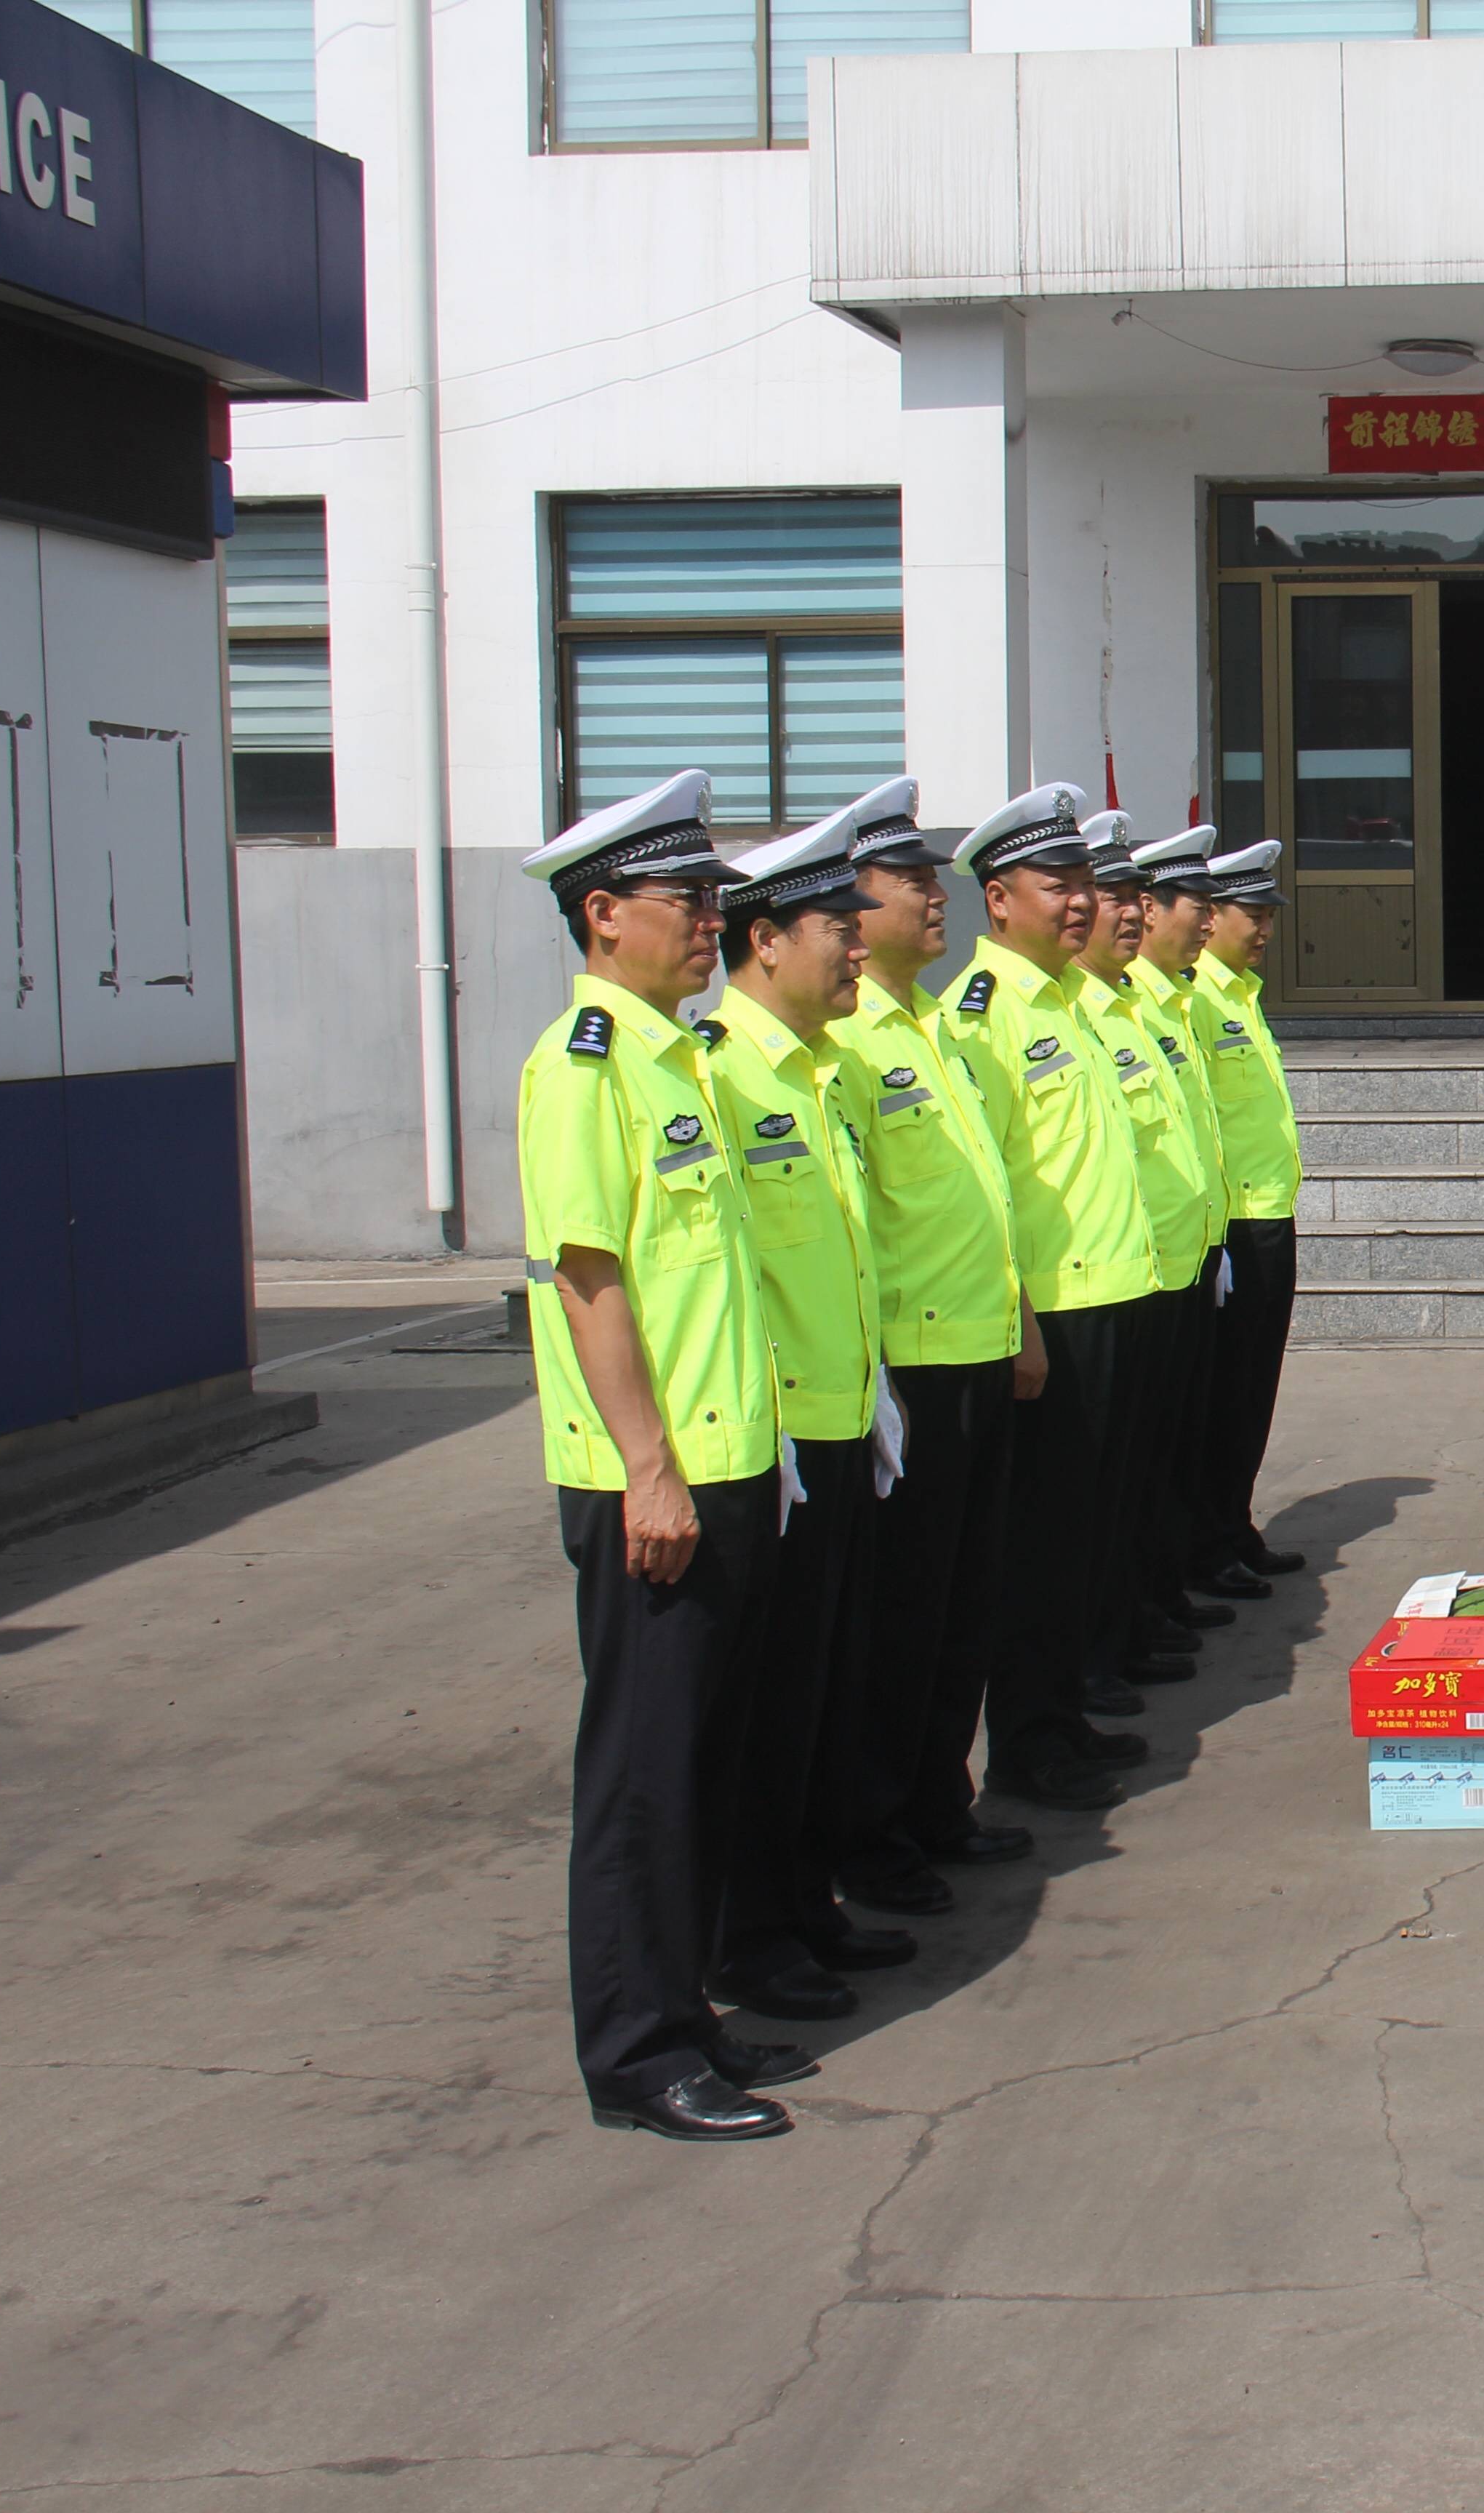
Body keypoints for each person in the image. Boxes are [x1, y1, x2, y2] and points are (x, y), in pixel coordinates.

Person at [514, 769, 801, 2141]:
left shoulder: (675, 1053)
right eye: (688, 899)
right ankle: (637, 2055)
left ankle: (689, 2015)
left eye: (713, 898)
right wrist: (646, 1467)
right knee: (643, 1771)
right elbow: (589, 1279)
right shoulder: (580, 1063)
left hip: (731, 1460)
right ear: (605, 911)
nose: (711, 921)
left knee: (708, 1757)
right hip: (655, 1482)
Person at [691, 814, 910, 2024]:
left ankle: (806, 1902)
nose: (857, 953)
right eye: (839, 930)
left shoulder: (816, 1073)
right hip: (768, 1447)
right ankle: (748, 1936)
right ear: (766, 940)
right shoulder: (721, 1073)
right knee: (765, 1708)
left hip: (839, 1421)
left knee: (824, 1689)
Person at [819, 778, 1041, 1912]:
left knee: (960, 1604)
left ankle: (938, 1806)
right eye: (913, 880)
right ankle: (877, 1838)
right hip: (908, 1363)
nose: (935, 895)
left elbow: (984, 1198)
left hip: (976, 1347)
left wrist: (1017, 1323)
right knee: (900, 1621)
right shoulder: (847, 1046)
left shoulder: (932, 1027)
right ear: (853, 901)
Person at [943, 783, 1164, 1813]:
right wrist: (1022, 1321)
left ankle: (1065, 1710)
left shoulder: (1074, 1003)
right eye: (1057, 883)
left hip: (1117, 1297)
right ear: (998, 898)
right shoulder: (981, 1021)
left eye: (1085, 882)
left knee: (1081, 1533)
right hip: (1054, 1317)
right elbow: (985, 1191)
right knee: (1035, 1546)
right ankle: (1028, 1742)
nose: (1079, 902)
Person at [1072, 811, 1224, 1694]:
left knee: (1143, 1474)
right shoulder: (1020, 1019)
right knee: (1083, 1508)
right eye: (1112, 896)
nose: (1126, 914)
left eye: (1134, 898)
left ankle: (1132, 1623)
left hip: (1163, 1263)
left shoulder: (1128, 1008)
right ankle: (1084, 1667)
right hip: (1080, 1296)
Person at [1184, 839, 1309, 1598]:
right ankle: (1207, 1541)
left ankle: (1235, 1524)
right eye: (1251, 914)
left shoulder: (1238, 993)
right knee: (1224, 1397)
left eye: (1269, 915)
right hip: (1229, 1225)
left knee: (1253, 1390)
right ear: (1211, 918)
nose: (1264, 929)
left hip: (1268, 1212)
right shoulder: (1193, 998)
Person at [1126, 823, 1238, 1651]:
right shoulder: (989, 1021)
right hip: (1100, 1285)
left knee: (1176, 1445)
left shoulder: (1158, 1004)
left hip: (1186, 1254)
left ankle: (1162, 1591)